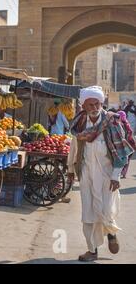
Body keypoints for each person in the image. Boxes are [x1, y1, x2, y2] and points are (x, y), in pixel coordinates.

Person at [68, 86, 134, 262]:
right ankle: (92, 250)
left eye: (97, 103)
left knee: (106, 210)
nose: (94, 107)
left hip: (106, 176)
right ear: (84, 106)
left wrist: (115, 176)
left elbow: (121, 152)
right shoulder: (79, 124)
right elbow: (73, 148)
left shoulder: (112, 122)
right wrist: (69, 169)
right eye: (90, 104)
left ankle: (111, 234)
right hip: (86, 175)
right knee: (88, 215)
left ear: (101, 102)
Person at [117, 111, 136, 179]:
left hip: (122, 145)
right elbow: (130, 135)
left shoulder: (118, 124)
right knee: (127, 159)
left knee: (121, 158)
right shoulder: (127, 124)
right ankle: (124, 173)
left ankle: (120, 172)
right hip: (129, 145)